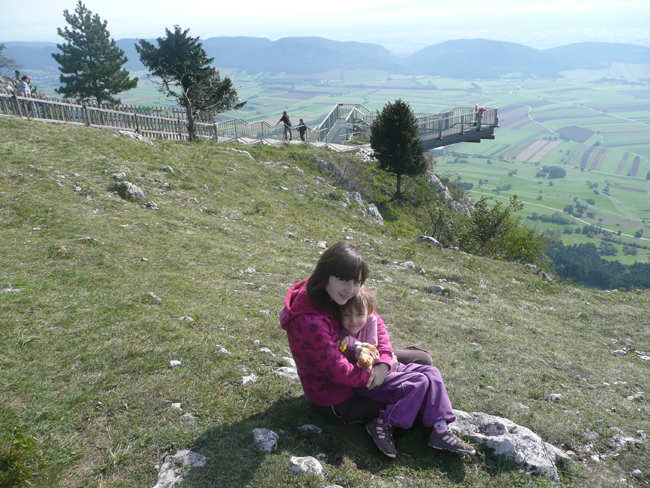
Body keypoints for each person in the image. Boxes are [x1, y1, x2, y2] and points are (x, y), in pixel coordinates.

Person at [279, 241, 476, 459]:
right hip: (337, 397)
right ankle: (385, 424)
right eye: (343, 280)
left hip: (358, 358)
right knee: (418, 387)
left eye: (356, 282)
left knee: (424, 361)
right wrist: (377, 375)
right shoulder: (310, 320)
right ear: (326, 274)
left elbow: (374, 321)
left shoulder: (335, 292)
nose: (350, 289)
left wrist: (383, 362)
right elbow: (338, 371)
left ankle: (439, 430)